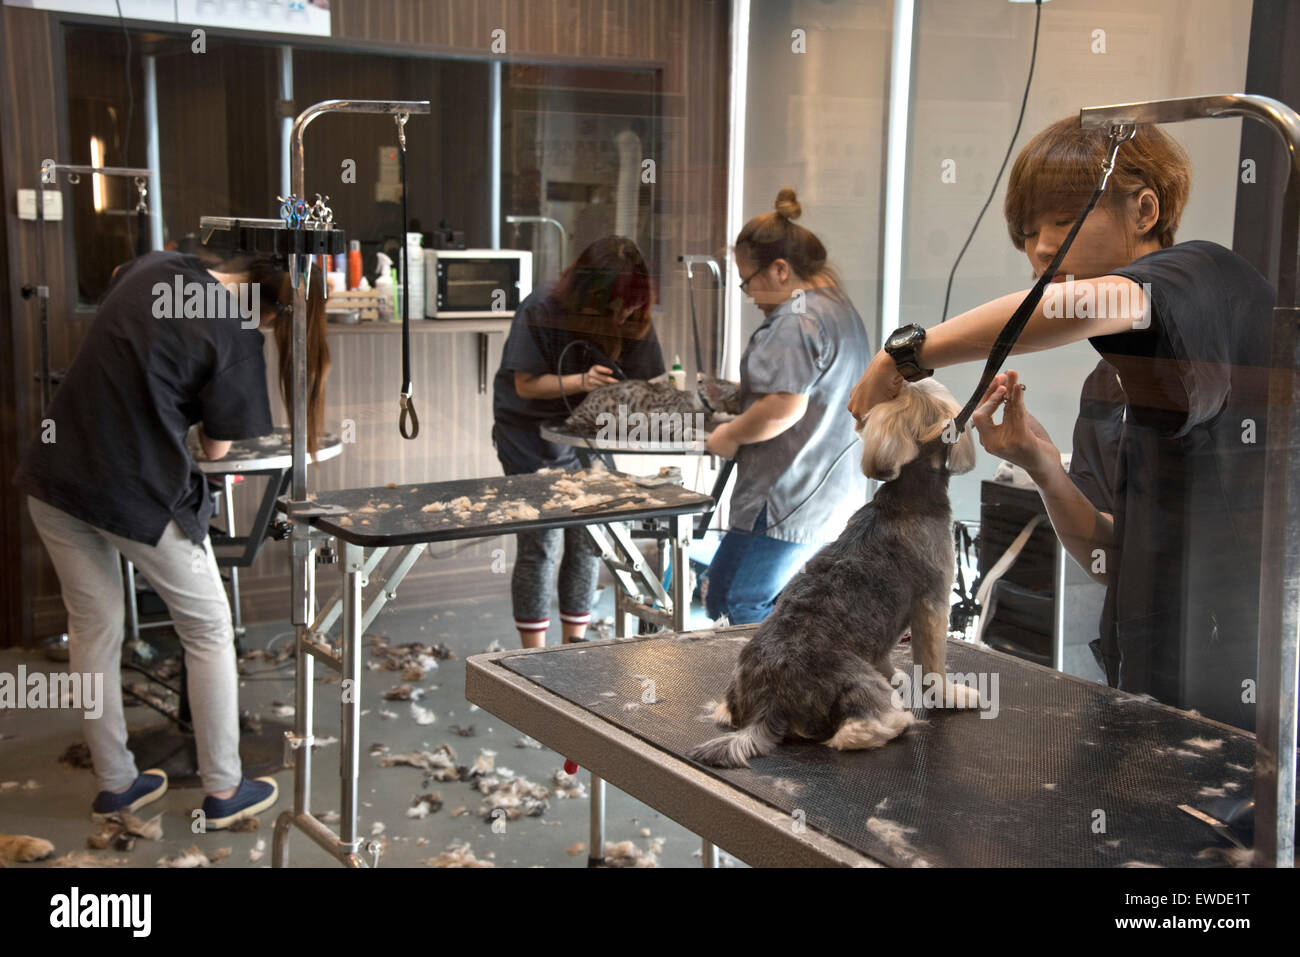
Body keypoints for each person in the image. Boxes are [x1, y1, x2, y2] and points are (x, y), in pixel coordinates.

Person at [848, 117, 1273, 730]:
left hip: (1253, 682)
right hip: (1148, 677)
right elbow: (1107, 553)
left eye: (1062, 220)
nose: (1042, 248)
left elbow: (1094, 304)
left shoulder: (1207, 275)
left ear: (1145, 209)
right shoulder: (1108, 385)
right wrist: (1041, 465)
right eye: (1027, 232)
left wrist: (903, 354)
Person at [14, 247, 331, 824]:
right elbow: (217, 448)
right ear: (274, 312)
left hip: (54, 477)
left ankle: (117, 785)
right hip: (131, 487)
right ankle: (224, 790)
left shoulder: (155, 266)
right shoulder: (237, 337)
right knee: (208, 627)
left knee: (94, 628)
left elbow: (121, 296)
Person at [703, 188, 873, 624]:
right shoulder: (838, 309)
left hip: (788, 497)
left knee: (739, 602)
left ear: (780, 270)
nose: (746, 293)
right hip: (827, 496)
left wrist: (728, 435)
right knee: (750, 600)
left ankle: (763, 692)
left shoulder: (796, 318)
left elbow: (785, 408)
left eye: (747, 280)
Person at [492, 236, 664, 647]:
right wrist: (582, 381)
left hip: (587, 430)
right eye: (615, 305)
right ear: (590, 294)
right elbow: (526, 384)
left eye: (632, 306)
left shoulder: (632, 312)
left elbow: (650, 380)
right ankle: (532, 659)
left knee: (592, 536)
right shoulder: (541, 308)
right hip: (530, 431)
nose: (624, 314)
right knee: (542, 540)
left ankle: (575, 647)